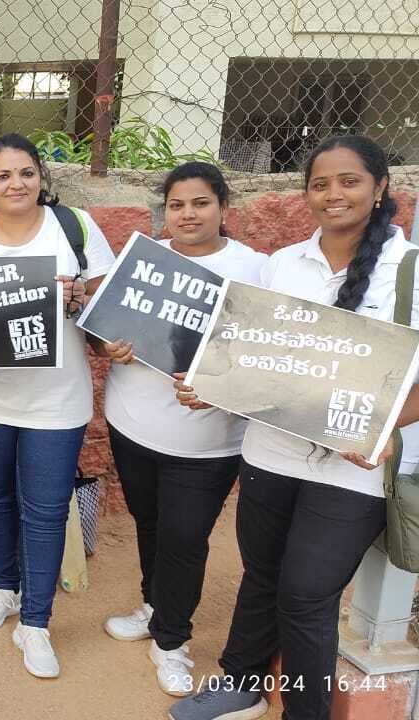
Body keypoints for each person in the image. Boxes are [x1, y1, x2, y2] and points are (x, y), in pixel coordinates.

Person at [170, 135, 419, 720]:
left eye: (349, 181)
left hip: (356, 469)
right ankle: (242, 685)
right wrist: (213, 387)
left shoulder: (410, 270)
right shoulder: (282, 264)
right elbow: (252, 356)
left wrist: (382, 426)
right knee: (261, 575)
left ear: (380, 187)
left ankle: (305, 713)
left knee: (306, 594)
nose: (333, 195)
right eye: (320, 184)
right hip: (269, 453)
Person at [98, 162, 264, 696]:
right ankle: (154, 607)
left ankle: (171, 640)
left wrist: (220, 385)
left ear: (223, 207)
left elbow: (266, 356)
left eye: (200, 203)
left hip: (207, 441)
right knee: (150, 523)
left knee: (186, 538)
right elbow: (104, 332)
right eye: (176, 205)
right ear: (164, 212)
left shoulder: (255, 269)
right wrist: (110, 346)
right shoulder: (144, 261)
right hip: (132, 423)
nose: (187, 214)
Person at [0, 133, 114, 678]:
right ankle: (4, 587)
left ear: (41, 177)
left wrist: (78, 297)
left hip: (56, 398)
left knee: (45, 509)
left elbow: (109, 306)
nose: (16, 184)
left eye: (26, 172)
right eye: (3, 175)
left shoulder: (74, 227)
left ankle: (36, 623)